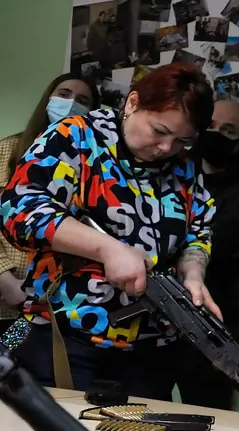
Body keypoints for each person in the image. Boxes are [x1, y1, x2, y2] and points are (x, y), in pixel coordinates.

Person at [0, 63, 219, 399]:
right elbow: (20, 208)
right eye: (159, 130)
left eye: (182, 140)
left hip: (150, 351)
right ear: (132, 103)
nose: (166, 148)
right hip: (65, 336)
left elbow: (198, 232)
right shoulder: (75, 136)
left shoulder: (184, 167)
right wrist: (107, 249)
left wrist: (193, 275)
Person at [171, 96, 239, 410]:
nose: (216, 134)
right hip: (159, 312)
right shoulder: (176, 171)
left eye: (228, 130)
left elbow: (220, 242)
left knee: (208, 410)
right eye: (211, 126)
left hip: (213, 317)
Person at [0, 73, 99, 339]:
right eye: (64, 94)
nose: (70, 104)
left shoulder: (94, 166)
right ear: (48, 99)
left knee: (24, 376)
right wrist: (5, 280)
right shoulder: (7, 150)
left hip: (49, 306)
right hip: (5, 297)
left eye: (82, 100)